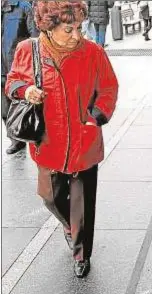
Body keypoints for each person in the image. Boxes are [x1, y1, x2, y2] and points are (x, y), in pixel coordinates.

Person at [5, 0, 118, 278]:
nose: (77, 35)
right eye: (69, 29)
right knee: (50, 197)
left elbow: (109, 87)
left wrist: (96, 117)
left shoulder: (93, 52)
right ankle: (70, 227)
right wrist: (26, 90)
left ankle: (82, 253)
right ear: (48, 27)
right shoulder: (27, 50)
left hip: (84, 143)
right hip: (48, 144)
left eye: (79, 27)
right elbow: (12, 83)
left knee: (82, 206)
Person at [1, 0, 39, 155]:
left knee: (21, 105)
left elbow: (35, 37)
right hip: (1, 66)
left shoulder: (23, 7)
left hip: (16, 68)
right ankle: (15, 139)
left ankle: (27, 135)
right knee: (5, 109)